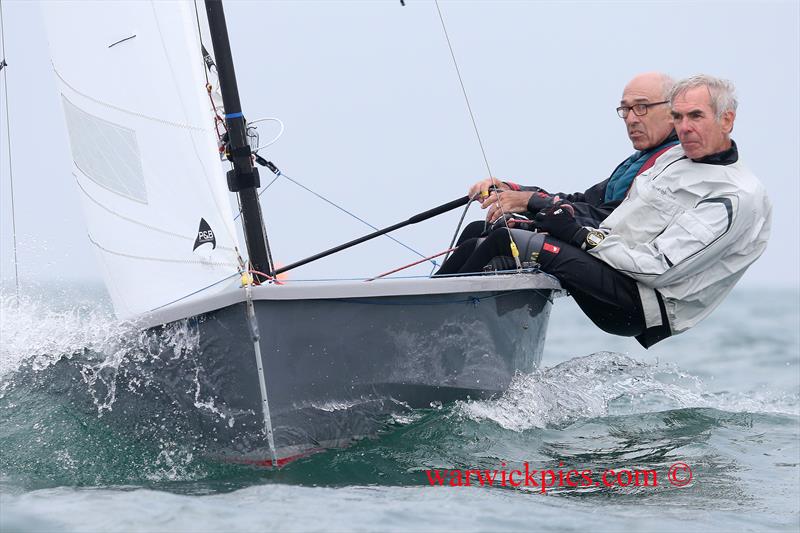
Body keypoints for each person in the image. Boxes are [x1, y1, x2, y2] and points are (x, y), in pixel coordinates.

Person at [437, 74, 771, 348]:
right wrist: (524, 196)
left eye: (695, 116)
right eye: (679, 117)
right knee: (486, 232)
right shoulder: (676, 159)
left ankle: (431, 335)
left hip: (641, 302)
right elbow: (598, 207)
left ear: (726, 119)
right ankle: (444, 332)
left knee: (511, 241)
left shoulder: (734, 195)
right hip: (612, 267)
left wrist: (578, 234)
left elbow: (658, 269)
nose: (684, 127)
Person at [457, 71, 679, 244]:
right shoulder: (638, 160)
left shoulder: (670, 163)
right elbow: (583, 202)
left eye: (641, 107)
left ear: (672, 111)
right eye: (625, 109)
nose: (631, 119)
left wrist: (529, 201)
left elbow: (614, 218)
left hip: (613, 257)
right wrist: (512, 189)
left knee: (501, 237)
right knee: (478, 229)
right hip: (589, 239)